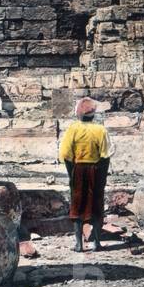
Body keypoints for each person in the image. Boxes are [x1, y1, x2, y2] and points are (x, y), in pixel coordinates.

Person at [59, 97, 111, 252]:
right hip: (96, 170)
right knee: (96, 205)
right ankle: (97, 243)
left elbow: (66, 154)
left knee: (77, 206)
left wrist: (72, 175)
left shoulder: (73, 129)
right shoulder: (101, 130)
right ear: (93, 114)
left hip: (78, 171)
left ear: (78, 114)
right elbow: (106, 155)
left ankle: (79, 244)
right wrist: (102, 177)